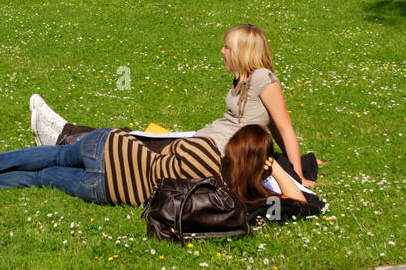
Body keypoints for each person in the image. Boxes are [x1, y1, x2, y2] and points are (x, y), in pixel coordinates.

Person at [30, 23, 318, 189]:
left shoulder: (263, 79)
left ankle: (62, 137)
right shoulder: (243, 79)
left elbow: (283, 128)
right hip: (202, 141)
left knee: (134, 145)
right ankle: (66, 135)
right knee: (139, 139)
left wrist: (297, 176)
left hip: (210, 154)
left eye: (227, 47)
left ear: (242, 51)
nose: (222, 51)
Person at [0, 124, 319, 222]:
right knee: (43, 178)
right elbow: (300, 203)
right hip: (110, 187)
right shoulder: (232, 197)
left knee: (53, 154)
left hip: (112, 147)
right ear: (260, 164)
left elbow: (166, 146)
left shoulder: (205, 147)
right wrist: (273, 170)